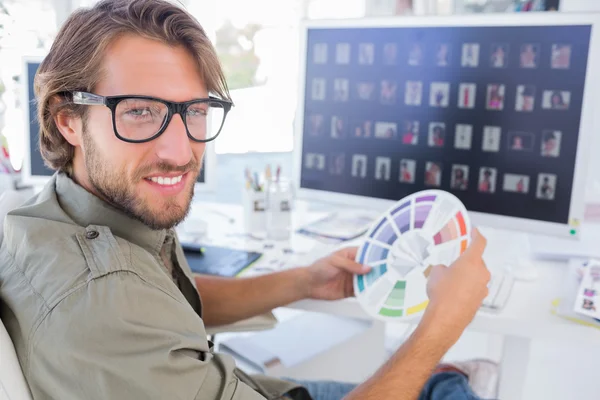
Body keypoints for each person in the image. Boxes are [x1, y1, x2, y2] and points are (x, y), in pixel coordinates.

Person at [0, 1, 495, 399]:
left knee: (436, 383)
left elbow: (163, 299)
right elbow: (127, 309)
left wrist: (304, 281)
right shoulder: (101, 299)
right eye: (139, 112)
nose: (179, 151)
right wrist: (443, 322)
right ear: (68, 119)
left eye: (194, 111)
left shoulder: (62, 214)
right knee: (447, 382)